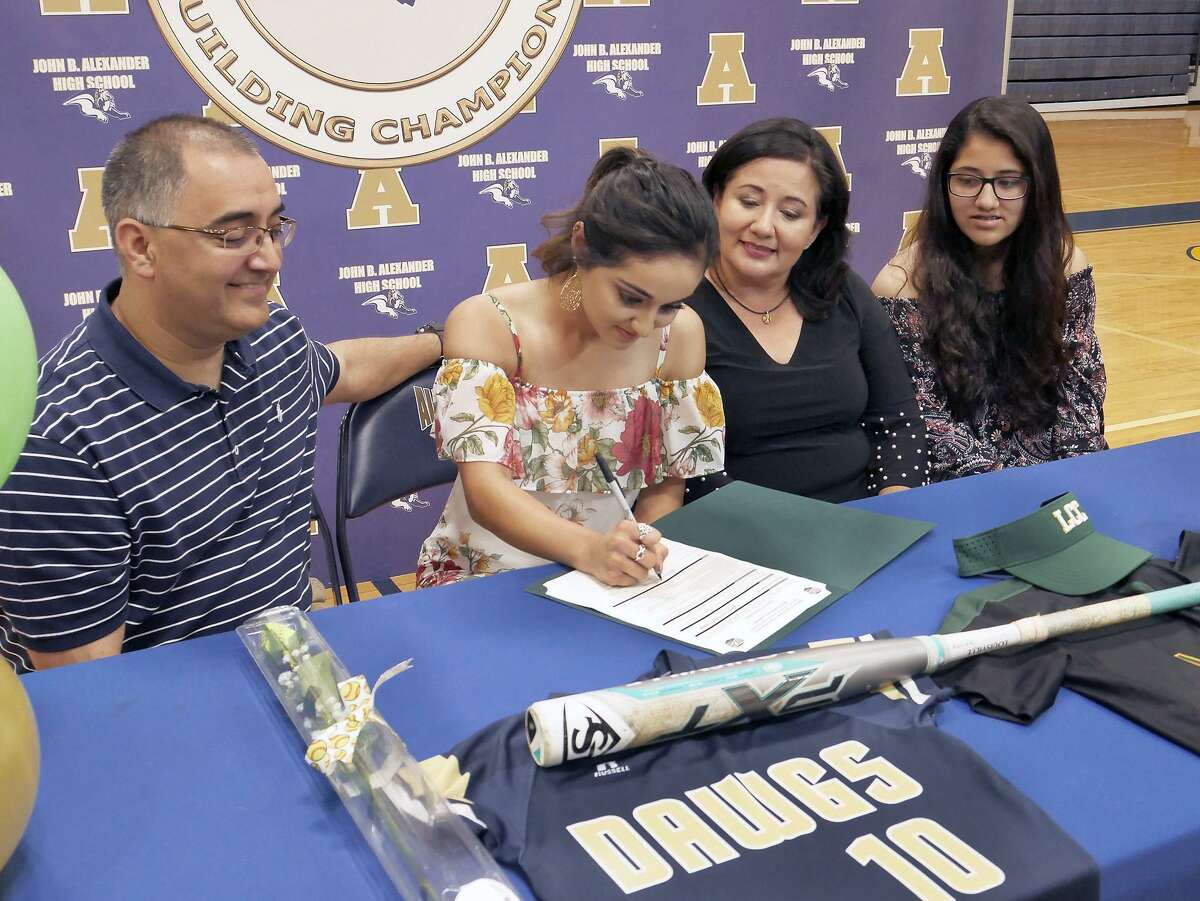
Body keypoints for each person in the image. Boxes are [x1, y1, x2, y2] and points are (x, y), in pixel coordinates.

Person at [0, 115, 441, 673]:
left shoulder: (273, 337)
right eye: (233, 235)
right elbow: (92, 690)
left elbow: (345, 368)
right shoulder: (59, 442)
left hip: (302, 678)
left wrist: (441, 340)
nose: (269, 259)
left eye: (274, 228)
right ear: (140, 246)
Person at [415, 148, 725, 589]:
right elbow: (485, 493)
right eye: (631, 297)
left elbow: (665, 486)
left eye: (669, 306)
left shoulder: (682, 336)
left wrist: (639, 548)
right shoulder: (492, 324)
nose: (643, 326)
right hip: (483, 576)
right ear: (582, 245)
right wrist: (590, 551)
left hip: (609, 578)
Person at [684, 117, 927, 503]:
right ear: (715, 199)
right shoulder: (676, 308)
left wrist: (894, 508)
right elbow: (685, 472)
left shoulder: (845, 291)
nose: (764, 226)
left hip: (863, 520)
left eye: (791, 214)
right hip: (739, 534)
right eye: (748, 201)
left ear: (816, 229)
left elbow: (899, 424)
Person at [872, 96, 1105, 482]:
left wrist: (1073, 480)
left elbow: (1080, 393)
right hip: (963, 486)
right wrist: (1008, 490)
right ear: (944, 183)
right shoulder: (901, 286)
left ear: (1036, 186)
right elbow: (925, 420)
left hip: (1055, 478)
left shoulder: (1066, 266)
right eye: (967, 179)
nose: (986, 201)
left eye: (1008, 182)